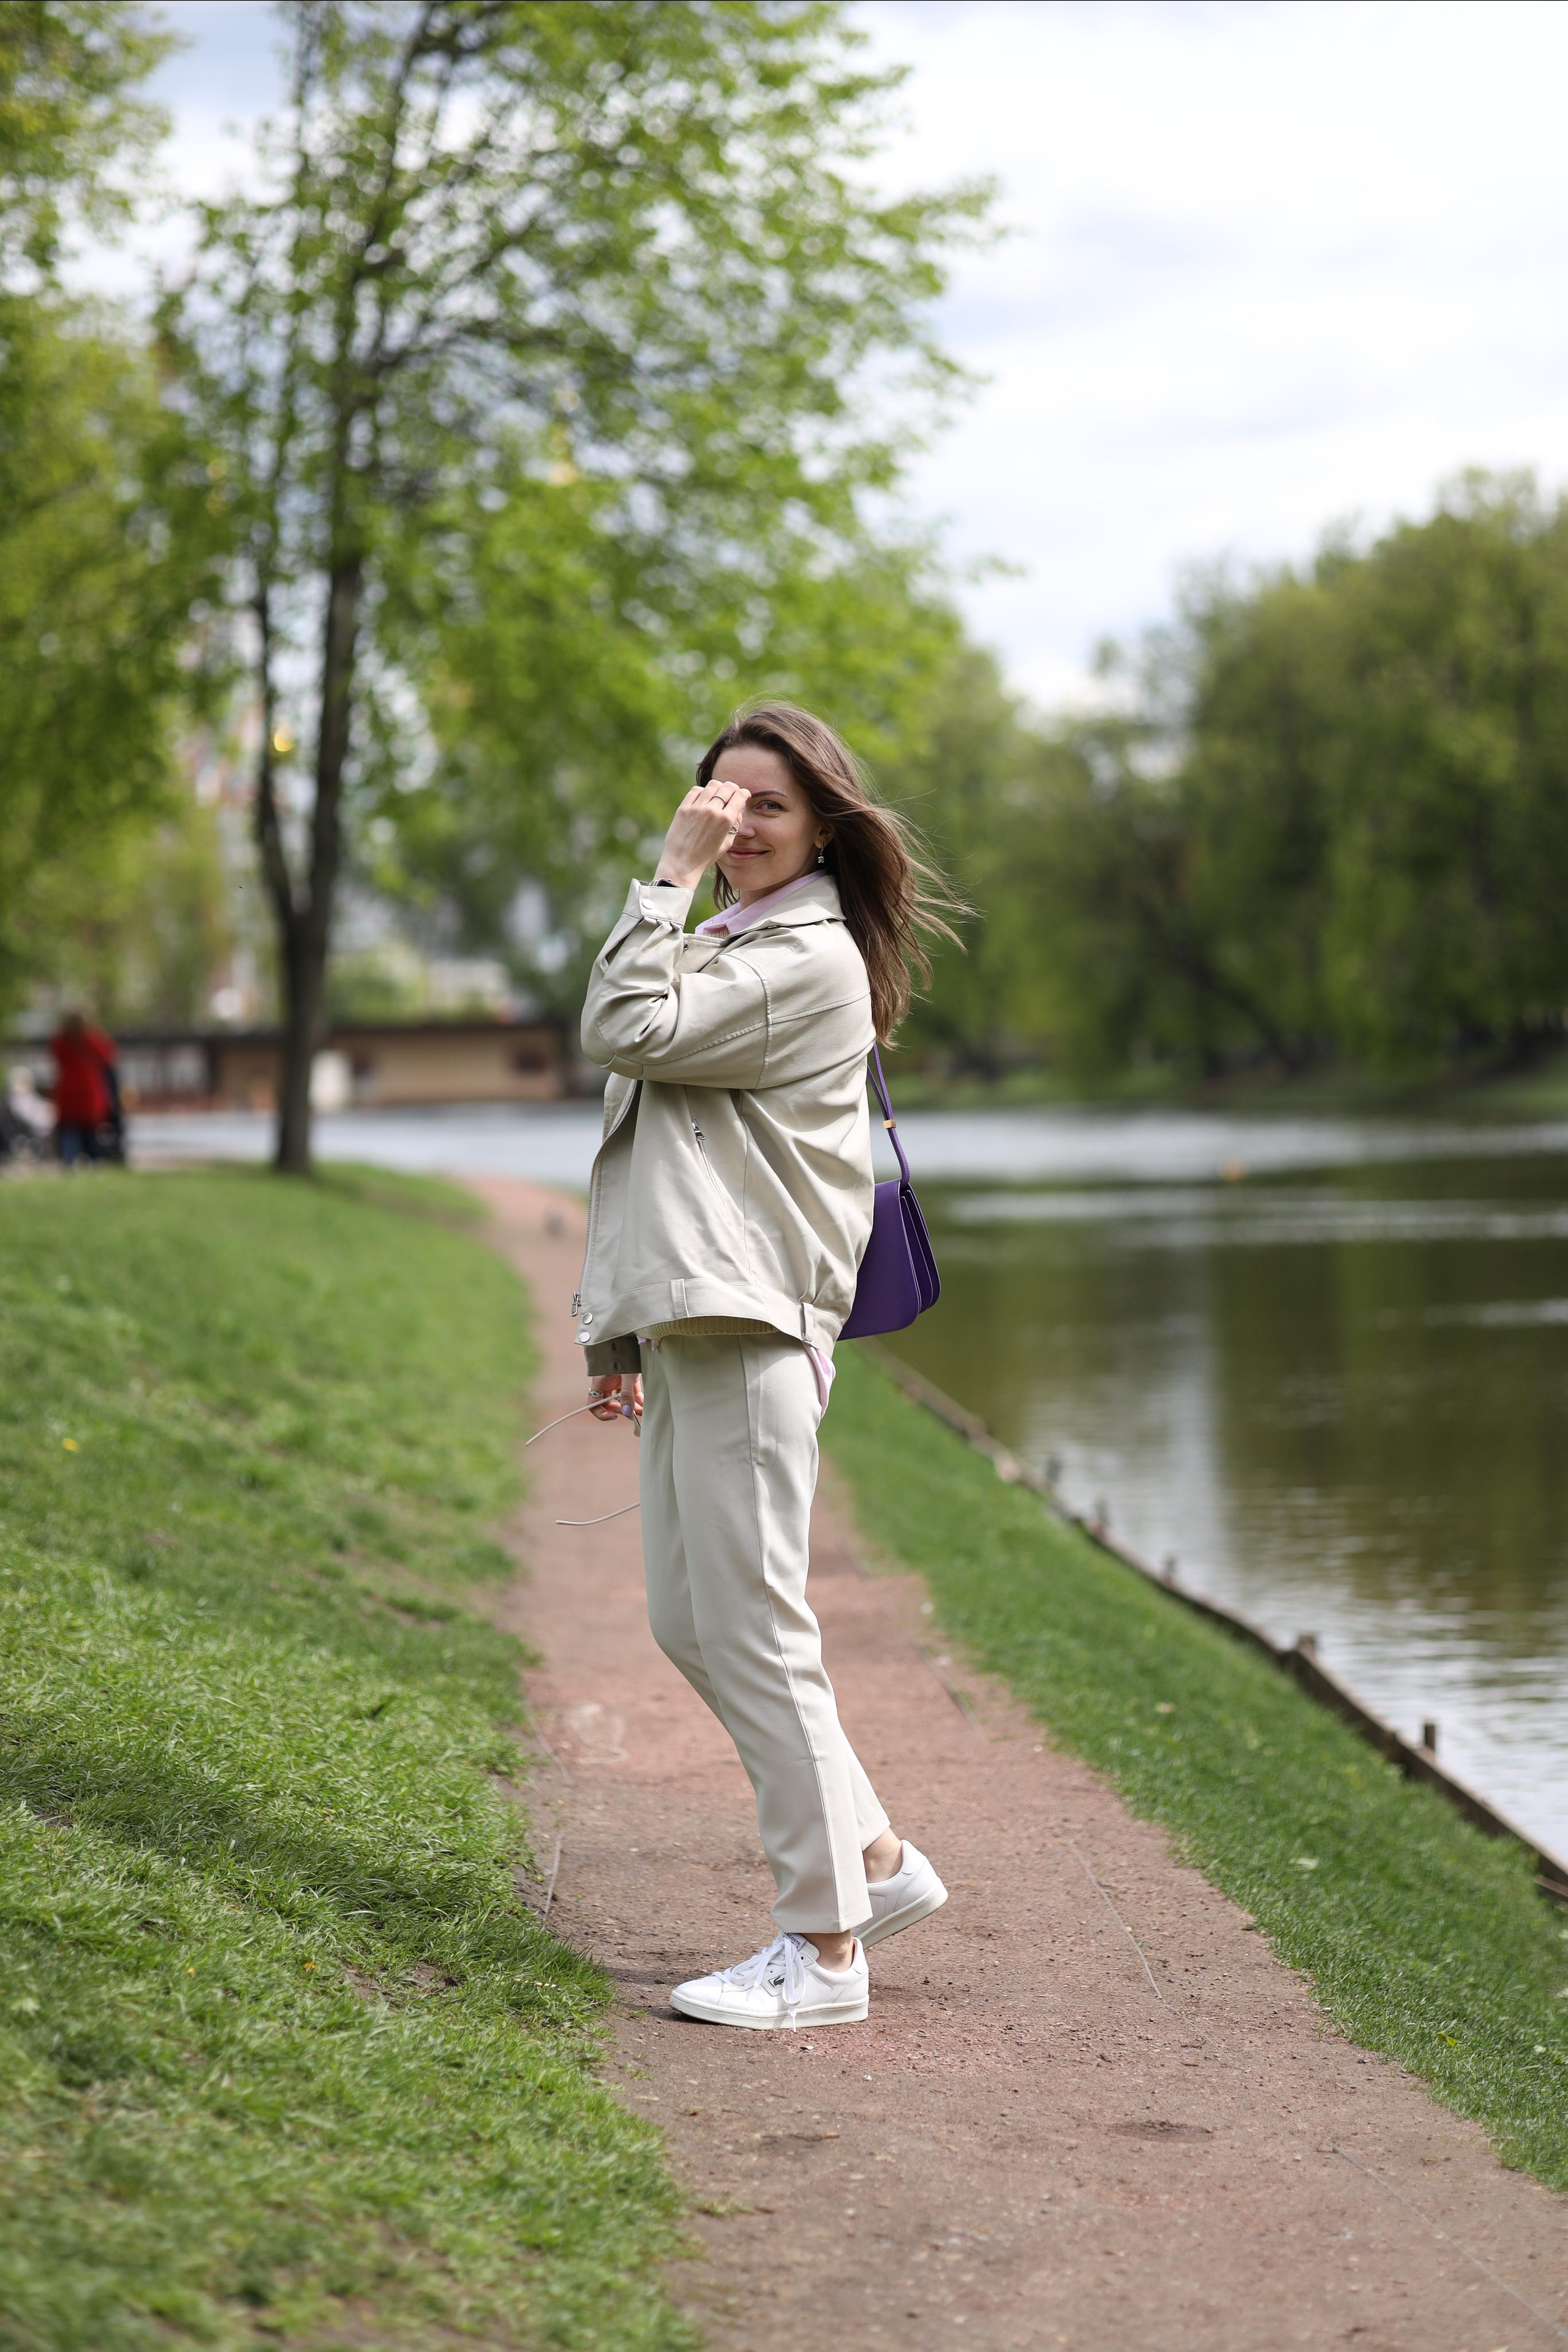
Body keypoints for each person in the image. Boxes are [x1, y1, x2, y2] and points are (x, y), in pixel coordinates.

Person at [576, 701, 962, 2031]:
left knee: (755, 1624)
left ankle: (824, 1956)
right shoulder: (738, 939)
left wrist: (667, 874)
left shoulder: (802, 958)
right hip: (697, 1317)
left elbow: (623, 1028)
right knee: (694, 1621)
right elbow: (657, 1155)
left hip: (750, 1323)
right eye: (716, 799)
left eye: (763, 808)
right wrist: (617, 1333)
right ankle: (872, 1864)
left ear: (819, 832)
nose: (731, 824)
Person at [49, 1012, 118, 1167]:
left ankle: (68, 1161)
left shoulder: (61, 1041)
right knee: (90, 1132)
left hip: (68, 1091)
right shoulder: (91, 1039)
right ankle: (93, 1162)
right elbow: (108, 1055)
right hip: (89, 1091)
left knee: (69, 1132)